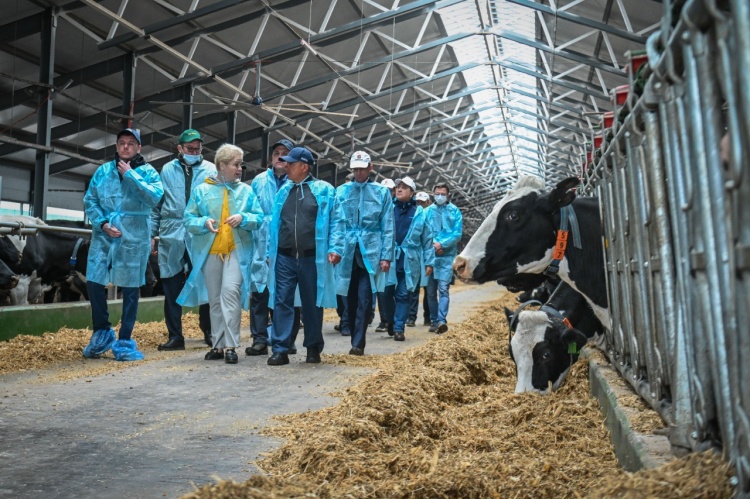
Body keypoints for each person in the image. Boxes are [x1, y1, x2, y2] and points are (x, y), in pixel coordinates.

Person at [82, 128, 164, 361]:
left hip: (134, 233)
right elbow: (90, 200)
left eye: (131, 143)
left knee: (131, 287)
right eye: (122, 143)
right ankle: (102, 330)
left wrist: (130, 175)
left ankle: (125, 338)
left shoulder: (148, 173)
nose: (126, 147)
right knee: (94, 279)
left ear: (139, 147)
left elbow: (154, 198)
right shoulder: (103, 171)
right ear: (116, 146)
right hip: (104, 233)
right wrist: (102, 222)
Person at [177, 144, 263, 364]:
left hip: (236, 250)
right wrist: (203, 222)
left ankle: (231, 346)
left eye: (240, 164)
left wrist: (243, 218)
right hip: (210, 251)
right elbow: (188, 219)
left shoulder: (245, 191)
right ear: (222, 165)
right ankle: (217, 344)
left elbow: (259, 218)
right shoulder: (202, 190)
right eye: (235, 164)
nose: (240, 169)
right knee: (214, 299)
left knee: (230, 293)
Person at [266, 147, 338, 365]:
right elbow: (274, 224)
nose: (286, 166)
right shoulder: (283, 191)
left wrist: (335, 248)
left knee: (311, 303)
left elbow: (337, 221)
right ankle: (280, 348)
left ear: (304, 166)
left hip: (311, 257)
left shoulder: (324, 190)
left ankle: (313, 348)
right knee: (282, 301)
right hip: (285, 256)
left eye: (291, 163)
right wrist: (271, 251)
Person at [151, 129, 217, 351]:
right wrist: (152, 234)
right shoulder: (167, 170)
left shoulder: (211, 169)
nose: (194, 152)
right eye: (190, 149)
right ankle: (175, 336)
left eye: (198, 149)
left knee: (207, 280)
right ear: (179, 149)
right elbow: (157, 205)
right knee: (171, 282)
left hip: (200, 230)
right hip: (173, 230)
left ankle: (209, 330)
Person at [329, 151, 394, 356]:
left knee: (365, 297)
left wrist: (386, 255)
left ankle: (358, 342)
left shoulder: (381, 193)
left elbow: (388, 226)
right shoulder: (341, 192)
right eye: (355, 168)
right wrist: (335, 248)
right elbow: (336, 223)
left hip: (371, 251)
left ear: (370, 168)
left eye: (361, 168)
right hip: (348, 251)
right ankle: (353, 332)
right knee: (349, 297)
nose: (358, 172)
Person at [246, 138, 298, 358]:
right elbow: (250, 210)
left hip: (287, 243)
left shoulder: (296, 182)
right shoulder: (258, 181)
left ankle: (286, 338)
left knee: (286, 293)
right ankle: (259, 339)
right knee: (259, 291)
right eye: (277, 152)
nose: (280, 157)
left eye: (285, 153)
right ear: (271, 158)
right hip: (260, 241)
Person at [385, 177, 433, 341]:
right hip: (389, 257)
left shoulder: (419, 213)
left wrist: (429, 262)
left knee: (403, 294)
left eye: (404, 187)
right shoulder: (388, 209)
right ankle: (390, 320)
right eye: (398, 187)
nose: (399, 190)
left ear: (412, 192)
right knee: (385, 293)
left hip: (409, 259)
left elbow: (427, 239)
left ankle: (399, 327)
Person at [425, 182, 463, 334]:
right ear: (433, 194)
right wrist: (433, 244)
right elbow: (422, 231)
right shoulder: (427, 211)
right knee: (430, 292)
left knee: (443, 290)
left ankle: (442, 320)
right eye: (437, 193)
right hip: (429, 256)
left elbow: (457, 234)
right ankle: (434, 320)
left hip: (447, 257)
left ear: (448, 195)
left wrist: (442, 245)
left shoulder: (455, 212)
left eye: (443, 193)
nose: (440, 196)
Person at [375, 178, 396, 334]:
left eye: (390, 190)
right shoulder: (377, 205)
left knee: (399, 291)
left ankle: (396, 320)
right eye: (385, 190)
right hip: (379, 251)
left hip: (397, 253)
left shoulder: (397, 206)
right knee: (382, 289)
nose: (387, 193)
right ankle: (386, 320)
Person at [409, 191, 432, 326]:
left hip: (428, 255)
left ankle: (427, 316)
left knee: (429, 290)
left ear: (428, 202)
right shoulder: (413, 214)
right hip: (415, 256)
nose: (420, 204)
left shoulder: (431, 215)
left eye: (422, 202)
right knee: (413, 288)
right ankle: (411, 317)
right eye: (418, 202)